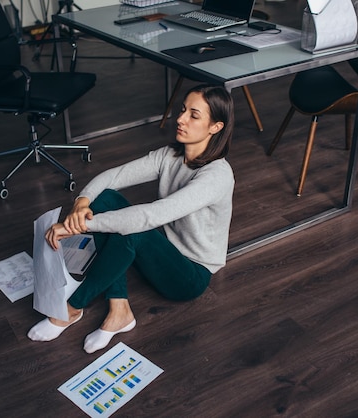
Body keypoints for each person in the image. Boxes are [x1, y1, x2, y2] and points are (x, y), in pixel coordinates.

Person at [28, 84, 235, 354]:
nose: (180, 119)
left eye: (193, 115)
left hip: (190, 275)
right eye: (183, 110)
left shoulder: (216, 176)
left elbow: (152, 215)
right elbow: (114, 176)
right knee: (105, 200)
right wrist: (81, 203)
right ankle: (119, 308)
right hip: (164, 247)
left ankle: (72, 308)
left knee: (133, 228)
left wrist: (78, 227)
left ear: (215, 127)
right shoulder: (171, 155)